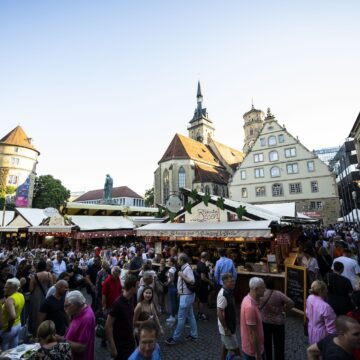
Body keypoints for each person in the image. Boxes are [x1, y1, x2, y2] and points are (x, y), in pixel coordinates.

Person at [165, 253, 197, 345]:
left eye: (178, 259)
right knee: (190, 316)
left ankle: (175, 338)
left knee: (181, 318)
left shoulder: (186, 269)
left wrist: (182, 275)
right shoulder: (185, 268)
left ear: (182, 260)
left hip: (186, 297)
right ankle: (194, 335)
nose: (177, 261)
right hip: (186, 295)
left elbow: (191, 281)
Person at [259, 277, 294, 360]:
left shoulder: (262, 294)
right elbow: (291, 303)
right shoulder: (279, 294)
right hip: (279, 322)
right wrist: (284, 310)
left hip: (265, 322)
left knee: (267, 344)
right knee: (279, 345)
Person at [105, 275, 139, 360]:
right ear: (132, 287)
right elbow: (108, 325)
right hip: (120, 344)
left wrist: (133, 329)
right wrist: (113, 347)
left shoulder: (131, 299)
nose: (138, 287)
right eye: (137, 286)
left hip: (130, 341)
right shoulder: (118, 303)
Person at [62, 290, 96, 360]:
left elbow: (81, 347)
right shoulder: (80, 310)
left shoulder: (86, 319)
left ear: (75, 305)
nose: (64, 309)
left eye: (66, 306)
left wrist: (62, 340)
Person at [240, 277, 266, 360]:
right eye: (262, 288)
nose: (265, 290)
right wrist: (257, 354)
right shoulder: (250, 307)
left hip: (253, 348)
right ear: (256, 289)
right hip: (252, 351)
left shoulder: (247, 299)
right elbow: (252, 333)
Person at [217, 273, 240, 360]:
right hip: (227, 327)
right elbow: (219, 312)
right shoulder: (223, 295)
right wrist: (226, 328)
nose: (234, 283)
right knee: (236, 351)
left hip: (229, 325)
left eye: (234, 281)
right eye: (232, 281)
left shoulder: (229, 291)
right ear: (225, 282)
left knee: (225, 348)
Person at [306, 280, 336, 345]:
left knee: (314, 350)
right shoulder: (325, 307)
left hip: (311, 330)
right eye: (326, 289)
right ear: (320, 291)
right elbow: (331, 328)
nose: (327, 291)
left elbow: (307, 313)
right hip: (322, 335)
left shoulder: (309, 298)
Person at [29, 260, 53, 336]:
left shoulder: (34, 276)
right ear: (45, 266)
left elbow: (31, 289)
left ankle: (36, 332)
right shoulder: (49, 274)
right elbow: (51, 286)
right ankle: (46, 332)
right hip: (46, 296)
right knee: (46, 313)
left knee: (35, 314)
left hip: (36, 297)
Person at [0, 278, 25, 350]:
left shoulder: (10, 300)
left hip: (8, 328)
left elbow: (12, 316)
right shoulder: (20, 295)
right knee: (13, 350)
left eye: (6, 287)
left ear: (13, 288)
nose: (4, 289)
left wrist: (9, 327)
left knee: (4, 351)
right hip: (18, 325)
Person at [197, 251, 211, 320]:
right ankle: (201, 314)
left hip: (199, 284)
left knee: (200, 299)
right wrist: (210, 281)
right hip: (203, 285)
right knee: (202, 300)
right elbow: (203, 277)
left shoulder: (199, 263)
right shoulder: (203, 266)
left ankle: (199, 312)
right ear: (206, 257)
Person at [165, 257, 177, 324]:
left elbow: (171, 280)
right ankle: (175, 315)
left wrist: (166, 283)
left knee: (172, 302)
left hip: (171, 287)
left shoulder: (171, 270)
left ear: (172, 262)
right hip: (174, 287)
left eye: (168, 261)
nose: (167, 262)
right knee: (174, 301)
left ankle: (172, 316)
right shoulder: (175, 268)